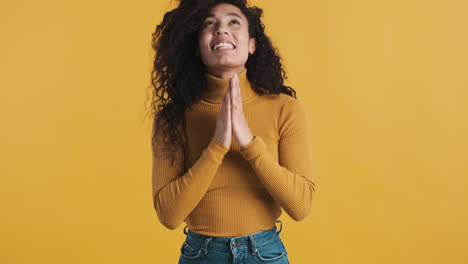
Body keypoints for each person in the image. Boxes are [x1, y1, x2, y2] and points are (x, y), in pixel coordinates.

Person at [149, 0, 317, 263]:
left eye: (233, 22)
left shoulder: (286, 109)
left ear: (252, 44)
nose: (221, 30)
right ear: (197, 47)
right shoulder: (173, 119)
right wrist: (217, 145)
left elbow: (301, 206)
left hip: (265, 253)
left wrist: (249, 143)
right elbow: (168, 216)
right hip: (201, 255)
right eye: (209, 24)